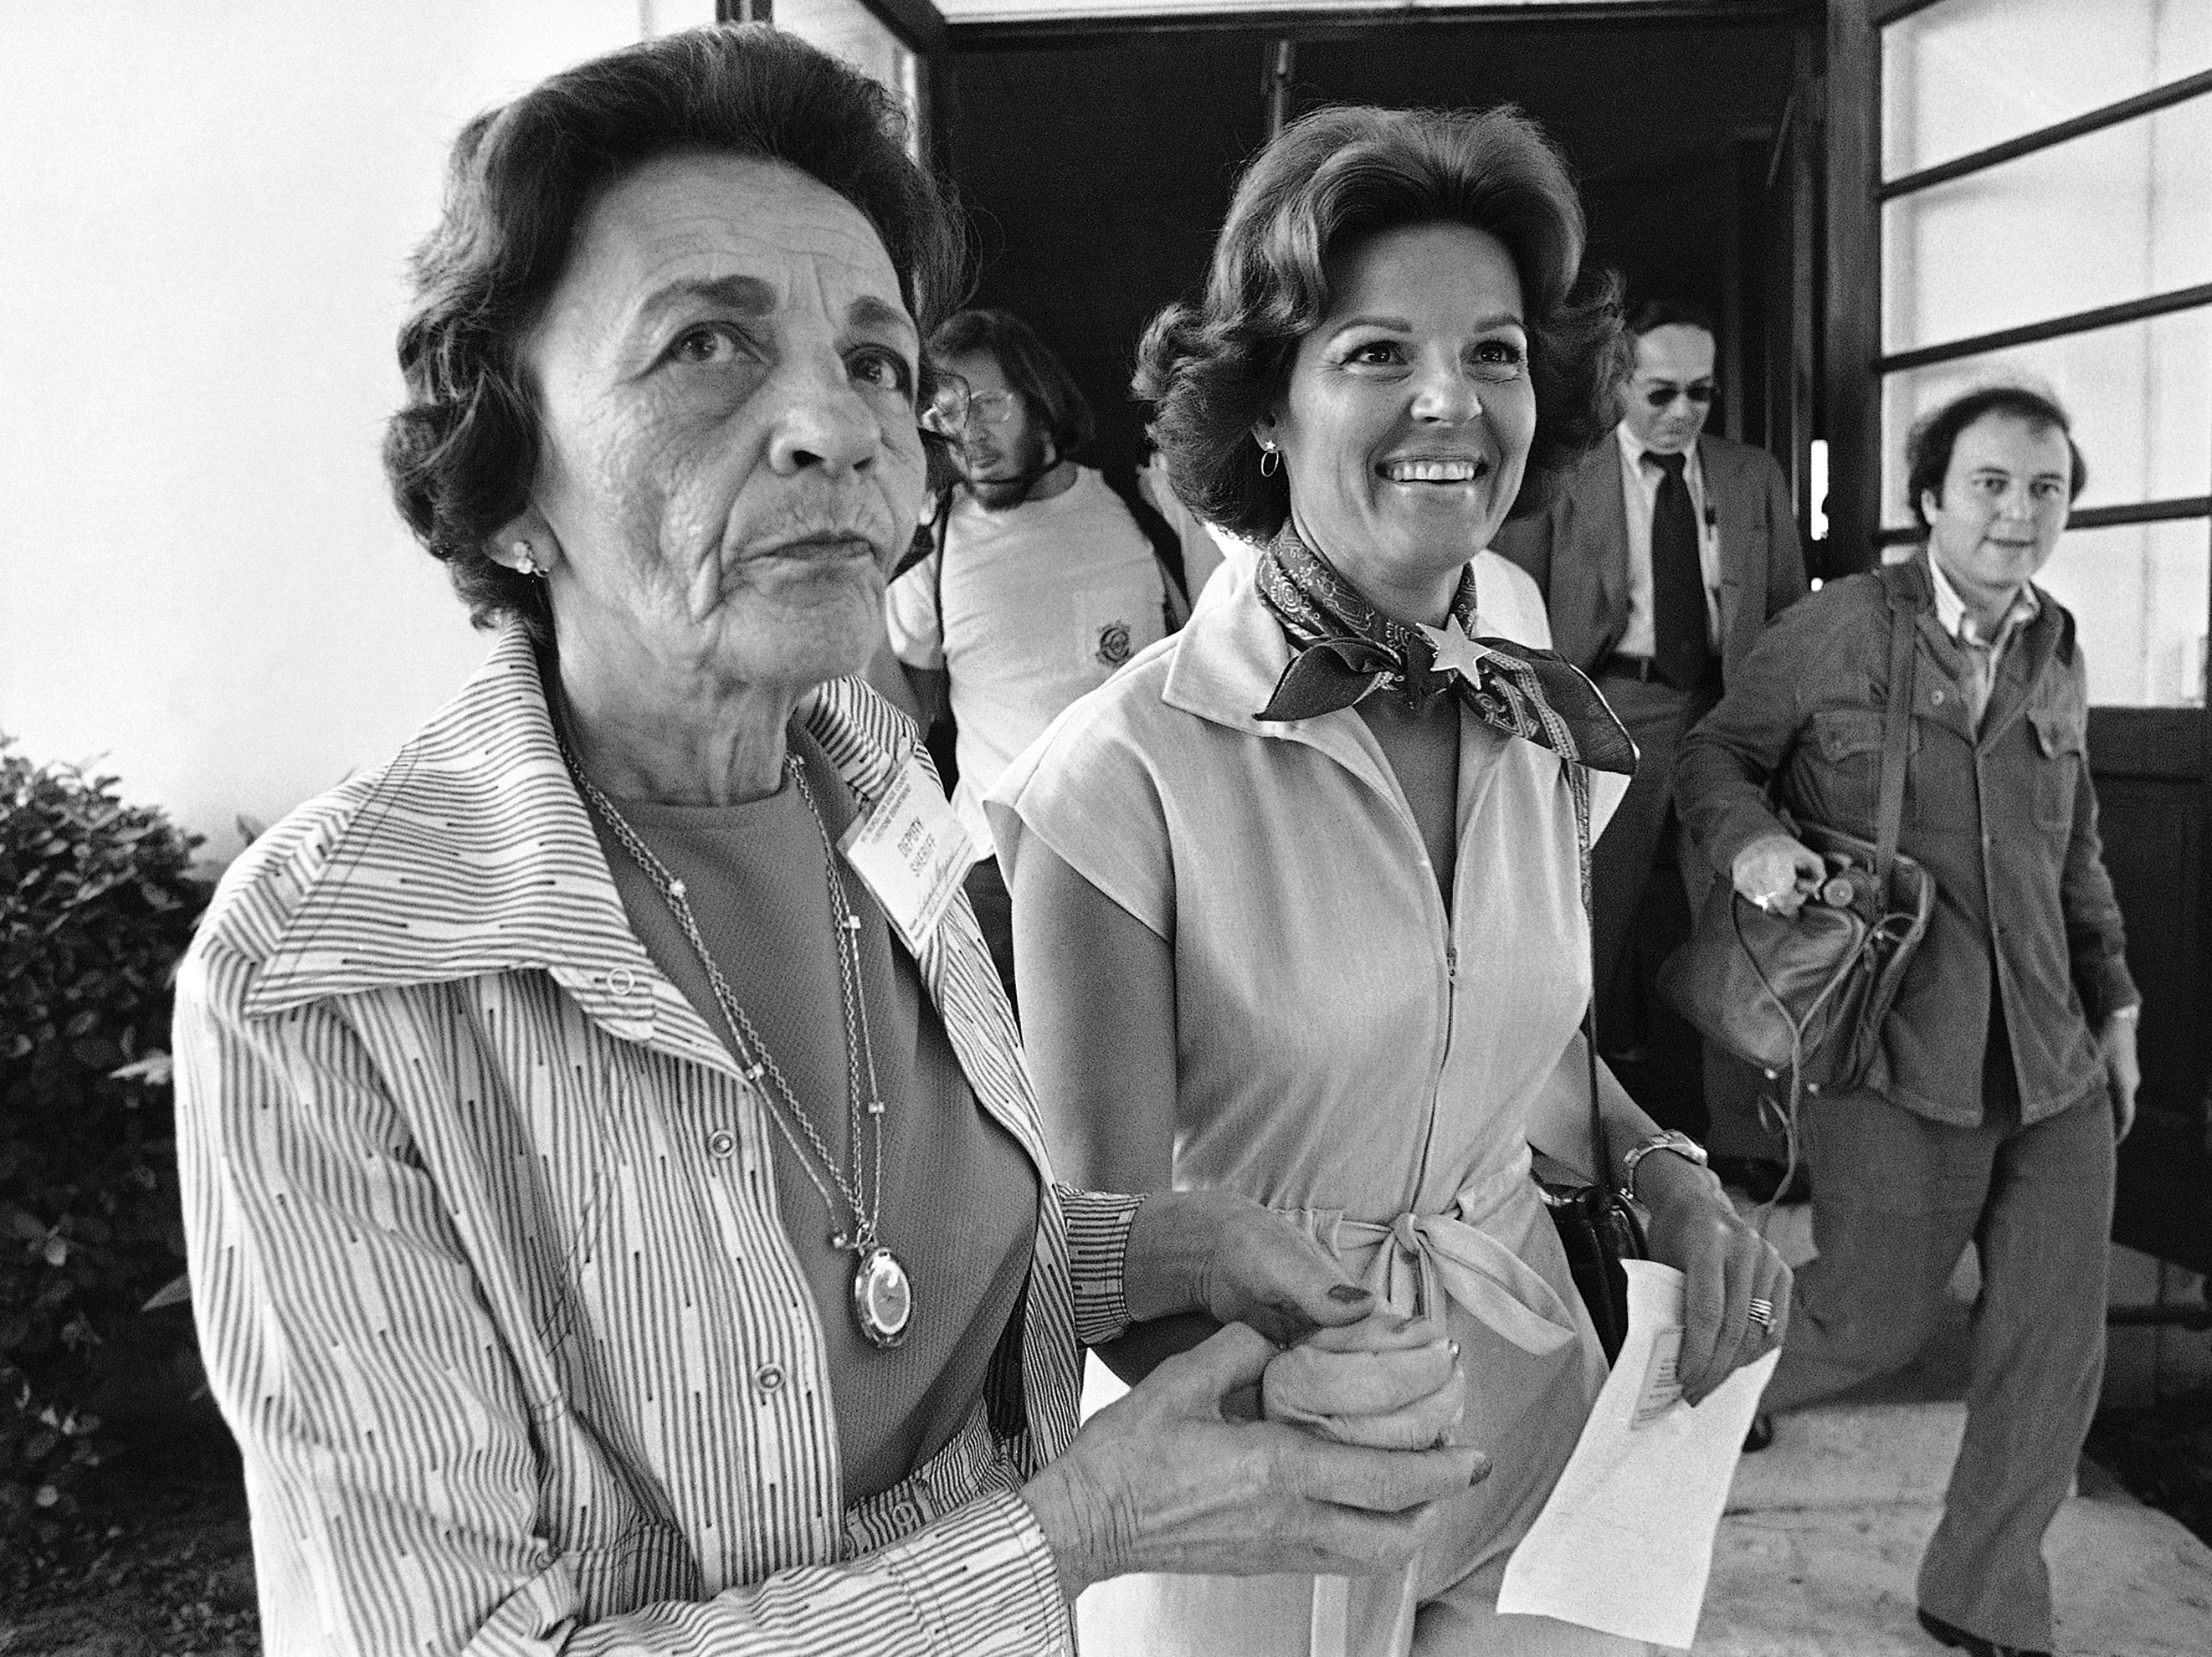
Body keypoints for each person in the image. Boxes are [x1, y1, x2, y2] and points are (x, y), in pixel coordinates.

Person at [172, 29, 1487, 1655]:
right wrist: (1068, 1540)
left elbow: (867, 1267)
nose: (835, 424)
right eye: (706, 345)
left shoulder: (875, 792)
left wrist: (1152, 1245)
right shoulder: (330, 968)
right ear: (508, 483)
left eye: (875, 359)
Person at [989, 105, 1792, 1657]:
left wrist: (1663, 1172)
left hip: (1531, 1417)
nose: (1450, 400)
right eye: (1373, 353)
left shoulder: (1538, 720)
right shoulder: (1122, 771)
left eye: (1493, 353)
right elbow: (1089, 1243)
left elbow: (1522, 1052)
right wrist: (1310, 1386)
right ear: (1269, 407)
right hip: (1256, 1478)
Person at [1675, 384, 2140, 1657]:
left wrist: (2114, 1006)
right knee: (1867, 1320)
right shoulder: (1834, 630)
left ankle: (1981, 1595)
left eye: (2042, 489)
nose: (2016, 513)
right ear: (1928, 497)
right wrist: (1756, 846)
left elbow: (2074, 846)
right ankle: (1663, 1388)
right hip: (1890, 1045)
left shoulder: (2054, 641)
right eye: (1989, 483)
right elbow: (1710, 760)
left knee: (2051, 1347)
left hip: (2049, 1058)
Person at [1492, 300, 1806, 1175]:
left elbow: (1783, 611)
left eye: (1702, 393)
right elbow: (1511, 597)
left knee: (1744, 928)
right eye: (1661, 391)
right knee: (1579, 924)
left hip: (1726, 716)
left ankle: (1748, 1148)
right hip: (1610, 707)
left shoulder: (1751, 476)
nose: (1682, 412)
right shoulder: (1567, 472)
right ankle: (1564, 1142)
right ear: (1620, 383)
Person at [886, 308, 1222, 998]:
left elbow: (1210, 655)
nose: (967, 431)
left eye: (988, 404)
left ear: (1038, 400)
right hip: (993, 877)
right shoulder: (930, 549)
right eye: (945, 412)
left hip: (1141, 853)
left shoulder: (1133, 504)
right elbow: (902, 724)